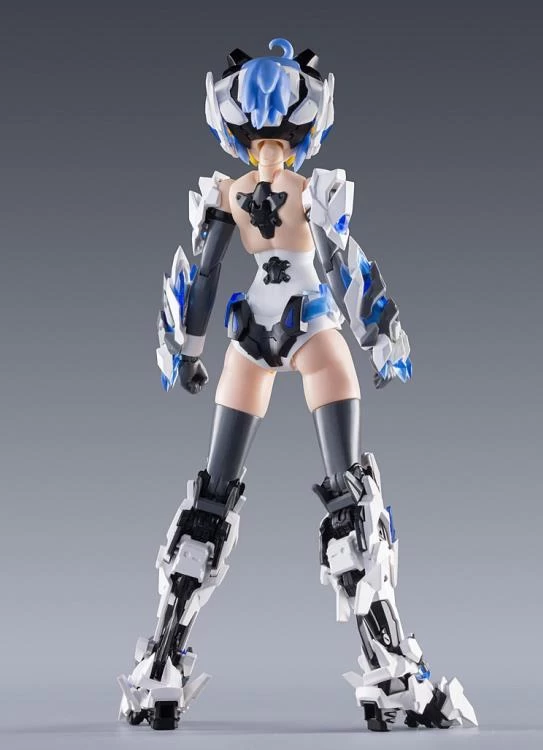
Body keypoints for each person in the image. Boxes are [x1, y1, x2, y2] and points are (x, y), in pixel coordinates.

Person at [118, 38, 477, 732]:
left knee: (255, 502)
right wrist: (380, 340)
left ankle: (162, 670)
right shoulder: (299, 192)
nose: (270, 152)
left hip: (264, 330)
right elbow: (329, 268)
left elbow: (217, 274)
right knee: (324, 502)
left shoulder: (243, 193)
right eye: (269, 140)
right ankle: (389, 676)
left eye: (272, 141)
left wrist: (189, 350)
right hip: (301, 326)